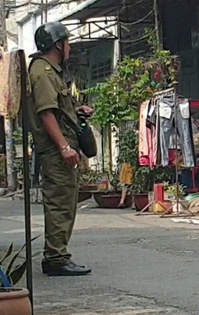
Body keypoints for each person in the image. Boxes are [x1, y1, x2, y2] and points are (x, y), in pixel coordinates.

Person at [27, 21, 93, 276]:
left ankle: (58, 254)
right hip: (55, 150)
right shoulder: (42, 72)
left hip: (59, 147)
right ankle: (55, 257)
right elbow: (46, 114)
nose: (70, 47)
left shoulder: (52, 71)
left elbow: (56, 109)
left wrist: (76, 111)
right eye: (67, 42)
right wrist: (64, 146)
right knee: (59, 203)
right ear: (58, 44)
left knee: (66, 201)